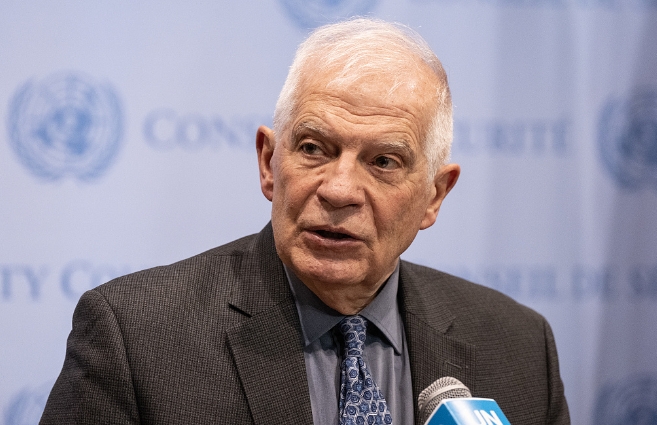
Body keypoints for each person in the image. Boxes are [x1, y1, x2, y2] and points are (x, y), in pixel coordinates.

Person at [40, 18, 570, 425]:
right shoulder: (136, 336)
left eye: (384, 161)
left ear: (434, 195)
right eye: (314, 148)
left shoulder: (518, 347)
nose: (339, 190)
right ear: (269, 162)